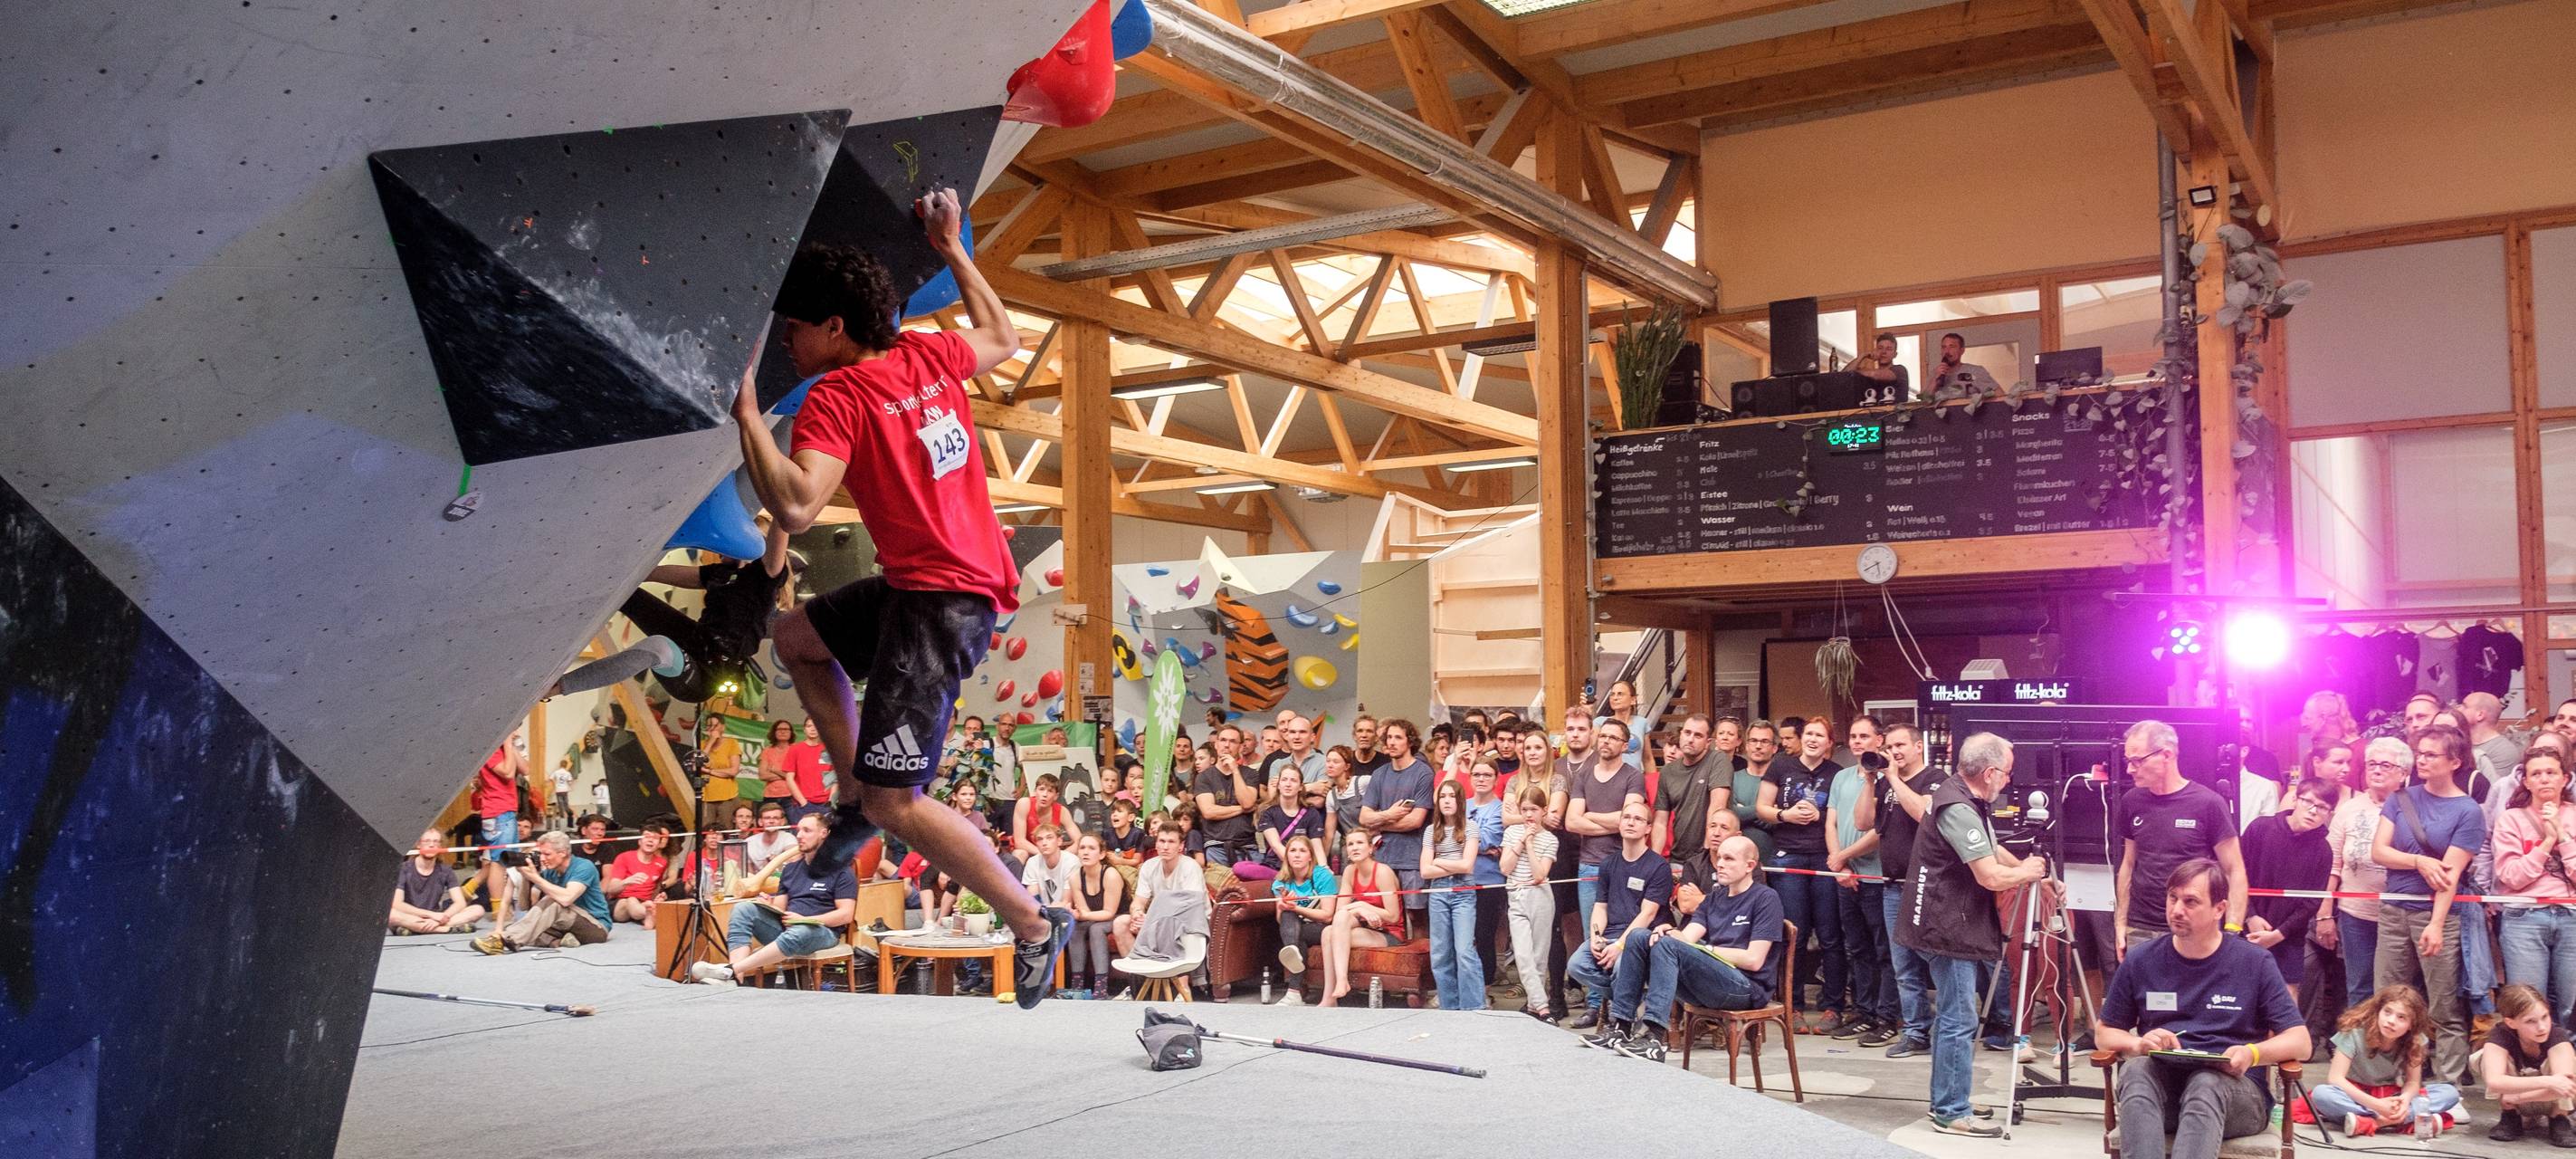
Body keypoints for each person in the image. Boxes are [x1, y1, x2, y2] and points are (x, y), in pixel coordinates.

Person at [732, 187, 1069, 1007]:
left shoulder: (838, 397)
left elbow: (797, 506)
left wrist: (746, 413)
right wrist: (952, 248)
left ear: (834, 328)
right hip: (929, 584)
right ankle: (853, 791)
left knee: (898, 804)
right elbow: (1003, 336)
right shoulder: (925, 356)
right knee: (796, 638)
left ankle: (1033, 924)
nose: (788, 342)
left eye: (796, 328)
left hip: (937, 606)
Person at [2094, 858, 2312, 1159]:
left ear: (2219, 909)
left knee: (2205, 1083)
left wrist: (2252, 1053)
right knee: (2136, 1069)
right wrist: (2137, 1043)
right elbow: (2104, 1034)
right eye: (2172, 898)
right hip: (2165, 1093)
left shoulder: (2254, 962)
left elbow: (2301, 1042)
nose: (2176, 910)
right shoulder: (2142, 959)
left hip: (2237, 1095)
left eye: (2191, 902)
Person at [1896, 733, 2051, 1138]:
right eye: (2007, 772)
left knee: (1957, 1016)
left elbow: (1990, 850)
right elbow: (1989, 876)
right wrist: (2026, 873)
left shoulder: (1961, 796)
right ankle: (1951, 1110)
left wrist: (2033, 875)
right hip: (1945, 926)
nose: (2009, 780)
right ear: (1990, 772)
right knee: (1958, 1018)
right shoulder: (1958, 807)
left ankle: (1950, 1098)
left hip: (1947, 921)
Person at [1595, 834, 1784, 1061]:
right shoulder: (1714, 898)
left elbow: (1754, 959)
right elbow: (1686, 938)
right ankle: (1621, 1027)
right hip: (1711, 981)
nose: (1720, 863)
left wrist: (1706, 949)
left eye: (1729, 859)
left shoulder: (1766, 898)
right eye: (1719, 857)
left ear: (1749, 866)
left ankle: (1655, 1038)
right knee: (1639, 937)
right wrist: (1669, 932)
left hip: (1745, 987)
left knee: (1668, 946)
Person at [2372, 723, 2483, 1083]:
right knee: (2386, 1000)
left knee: (2443, 1005)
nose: (2422, 760)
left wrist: (2436, 924)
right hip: (2393, 909)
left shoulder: (2468, 810)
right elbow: (2379, 851)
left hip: (2437, 914)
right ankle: (2385, 1078)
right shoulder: (2401, 798)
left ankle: (2450, 1087)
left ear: (2454, 761)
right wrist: (2418, 861)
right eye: (2419, 753)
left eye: (2431, 755)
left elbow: (2449, 876)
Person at [2113, 720, 2248, 961]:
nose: (2130, 769)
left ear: (2166, 755)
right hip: (2141, 926)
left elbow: (2234, 869)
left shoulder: (2208, 803)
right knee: (2142, 987)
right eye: (2128, 761)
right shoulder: (2131, 801)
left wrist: (2232, 930)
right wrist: (2120, 922)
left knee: (2195, 986)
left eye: (2137, 761)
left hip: (2195, 926)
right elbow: (2129, 864)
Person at [688, 813, 857, 985]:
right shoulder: (791, 869)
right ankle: (735, 980)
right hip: (787, 928)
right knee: (743, 909)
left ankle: (731, 970)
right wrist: (769, 904)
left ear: (823, 834)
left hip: (821, 932)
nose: (799, 835)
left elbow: (846, 915)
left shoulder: (841, 871)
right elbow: (780, 907)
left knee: (802, 931)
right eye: (799, 830)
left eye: (807, 831)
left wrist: (806, 920)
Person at [1760, 718, 1840, 1023]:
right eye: (1809, 733)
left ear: (1829, 742)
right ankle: (1792, 1005)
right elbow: (1762, 807)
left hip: (1824, 856)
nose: (1813, 739)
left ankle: (1833, 1005)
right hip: (1788, 855)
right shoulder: (1781, 765)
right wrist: (1786, 814)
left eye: (1820, 735)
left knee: (1830, 934)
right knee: (1795, 932)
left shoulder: (1837, 773)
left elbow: (1841, 814)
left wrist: (1821, 815)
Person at [1567, 801, 1673, 1035]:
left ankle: (1621, 1016)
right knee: (1577, 965)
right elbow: (1600, 906)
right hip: (1610, 934)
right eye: (1627, 817)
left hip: (1640, 938)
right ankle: (1634, 1002)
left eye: (1638, 819)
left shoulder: (1658, 866)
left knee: (1620, 964)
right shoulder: (1608, 864)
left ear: (1648, 828)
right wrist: (1596, 936)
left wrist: (1619, 946)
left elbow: (1648, 914)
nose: (1631, 822)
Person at [2307, 984, 2459, 1138]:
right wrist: (2377, 1105)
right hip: (2357, 1094)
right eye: (2387, 1012)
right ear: (2378, 1011)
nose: (2391, 1021)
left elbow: (2413, 1082)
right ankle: (2404, 1119)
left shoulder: (2416, 1039)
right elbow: (2336, 1078)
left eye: (2401, 1017)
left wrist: (2405, 1100)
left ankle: (2374, 1122)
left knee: (2449, 1093)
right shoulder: (2354, 1032)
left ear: (2411, 1024)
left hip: (2392, 1095)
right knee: (2322, 1094)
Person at [1870, 722, 1940, 1058]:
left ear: (1918, 746)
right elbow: (1864, 823)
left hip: (1927, 885)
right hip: (1893, 886)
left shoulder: (1935, 778)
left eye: (1900, 745)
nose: (1894, 752)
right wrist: (1870, 780)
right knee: (1903, 965)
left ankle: (1948, 1028)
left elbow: (1925, 814)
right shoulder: (1885, 783)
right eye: (1889, 747)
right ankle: (1915, 1032)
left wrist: (1894, 779)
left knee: (1937, 960)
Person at [2496, 745, 2576, 1026]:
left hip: (2571, 915)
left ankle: (2567, 1053)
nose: (2544, 779)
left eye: (2551, 772)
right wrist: (2546, 843)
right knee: (2527, 1004)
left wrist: (2562, 836)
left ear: (2564, 779)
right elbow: (2512, 876)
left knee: (2571, 1006)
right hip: (2524, 917)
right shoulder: (2511, 819)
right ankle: (2532, 1054)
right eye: (2536, 774)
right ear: (2526, 781)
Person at [2326, 737, 2408, 1010]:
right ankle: (2359, 1036)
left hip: (2403, 913)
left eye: (2385, 765)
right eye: (2372, 764)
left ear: (2403, 773)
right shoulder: (2349, 809)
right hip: (2356, 914)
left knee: (2398, 988)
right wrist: (2324, 913)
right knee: (2359, 986)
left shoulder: (2415, 806)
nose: (2376, 770)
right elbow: (2332, 863)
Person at [2239, 781, 2332, 987]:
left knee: (2287, 997)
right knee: (2242, 992)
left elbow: (2312, 902)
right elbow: (2238, 874)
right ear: (2295, 799)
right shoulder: (2260, 828)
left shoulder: (2323, 850)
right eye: (2308, 802)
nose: (2313, 811)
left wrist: (2278, 934)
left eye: (2322, 807)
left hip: (2288, 937)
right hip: (2246, 927)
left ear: (2329, 814)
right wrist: (2250, 915)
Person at [1567, 716, 1648, 943]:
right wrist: (1616, 823)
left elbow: (1630, 819)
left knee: (1622, 935)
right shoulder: (1584, 775)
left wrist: (1590, 815)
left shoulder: (1633, 776)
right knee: (1591, 935)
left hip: (1623, 864)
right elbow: (1571, 822)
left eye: (1613, 738)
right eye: (1603, 736)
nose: (1606, 741)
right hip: (1589, 866)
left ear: (1625, 745)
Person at [474, 831, 613, 953]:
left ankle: (504, 940)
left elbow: (566, 899)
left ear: (563, 853)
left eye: (547, 854)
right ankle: (558, 942)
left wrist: (536, 878)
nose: (542, 858)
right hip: (566, 923)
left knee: (550, 902)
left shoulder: (584, 867)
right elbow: (525, 906)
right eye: (541, 854)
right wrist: (526, 878)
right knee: (521, 927)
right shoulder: (551, 872)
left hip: (596, 927)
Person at [1359, 719, 1435, 929]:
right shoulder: (1379, 774)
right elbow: (1364, 818)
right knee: (1385, 918)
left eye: (1398, 738)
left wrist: (1379, 823)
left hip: (1413, 858)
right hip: (1383, 857)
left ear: (1410, 741)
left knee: (1416, 916)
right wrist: (1390, 814)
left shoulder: (1423, 773)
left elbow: (1415, 821)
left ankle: (1421, 952)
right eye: (1389, 737)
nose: (1391, 742)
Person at [2478, 982, 2576, 1145]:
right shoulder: (2500, 1034)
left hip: (2541, 1097)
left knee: (2568, 1067)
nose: (2542, 1027)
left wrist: (2518, 1097)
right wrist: (2549, 1081)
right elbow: (2494, 1081)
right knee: (2483, 1057)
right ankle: (2511, 1116)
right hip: (2521, 1097)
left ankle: (2559, 1118)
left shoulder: (2557, 1035)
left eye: (2545, 1017)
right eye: (2530, 1021)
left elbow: (2566, 1085)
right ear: (2511, 1023)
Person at [1420, 780, 1486, 1011]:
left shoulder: (1471, 827)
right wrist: (1451, 864)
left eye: (1452, 796)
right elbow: (1425, 871)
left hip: (1463, 891)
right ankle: (1449, 1007)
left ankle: (1474, 1006)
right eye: (1443, 796)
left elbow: (1467, 866)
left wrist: (1438, 860)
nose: (1447, 801)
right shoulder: (1431, 831)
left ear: (1460, 801)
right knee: (1440, 953)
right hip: (1438, 892)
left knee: (1464, 950)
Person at [1500, 782, 1561, 1021]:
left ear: (1544, 811)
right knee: (1523, 956)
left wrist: (1530, 844)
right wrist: (1521, 840)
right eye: (1524, 809)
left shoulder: (1550, 839)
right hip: (1516, 897)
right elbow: (1505, 868)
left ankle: (1535, 1009)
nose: (1528, 815)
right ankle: (1544, 1008)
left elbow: (1539, 875)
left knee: (1539, 957)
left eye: (1533, 809)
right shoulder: (1511, 833)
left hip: (1541, 897)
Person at [1321, 829, 1405, 1004]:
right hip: (1367, 928)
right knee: (1329, 930)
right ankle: (1332, 993)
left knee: (1330, 933)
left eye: (1360, 843)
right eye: (1350, 844)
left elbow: (1393, 916)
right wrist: (1360, 910)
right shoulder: (1349, 871)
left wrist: (1363, 906)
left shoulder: (1382, 872)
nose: (1355, 847)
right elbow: (1340, 911)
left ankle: (1338, 987)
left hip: (1389, 933)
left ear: (1371, 848)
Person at [1111, 821, 1208, 963]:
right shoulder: (1148, 866)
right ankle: (1140, 975)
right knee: (1121, 923)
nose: (1165, 847)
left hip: (1191, 923)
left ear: (1181, 846)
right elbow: (1139, 901)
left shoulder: (1190, 867)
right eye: (1162, 841)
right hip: (1161, 920)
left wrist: (1151, 920)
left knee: (1170, 926)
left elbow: (1188, 910)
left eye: (1171, 842)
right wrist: (1137, 914)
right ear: (1156, 844)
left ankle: (1176, 977)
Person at [470, 726, 528, 927]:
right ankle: (497, 909)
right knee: (498, 862)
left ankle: (504, 904)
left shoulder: (504, 748)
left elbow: (525, 769)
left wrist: (512, 745)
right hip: (497, 812)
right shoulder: (491, 749)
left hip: (507, 811)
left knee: (509, 860)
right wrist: (506, 741)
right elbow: (508, 772)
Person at [1271, 835, 1337, 1005]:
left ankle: (1293, 993)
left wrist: (1296, 907)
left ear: (1310, 856)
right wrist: (1283, 906)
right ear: (1287, 856)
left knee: (1294, 931)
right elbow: (1280, 919)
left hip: (1323, 927)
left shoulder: (1322, 875)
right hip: (1295, 928)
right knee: (1289, 919)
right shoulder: (1280, 882)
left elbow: (1328, 915)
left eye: (1302, 851)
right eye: (1293, 851)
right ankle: (1292, 952)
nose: (1297, 855)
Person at [1653, 714, 1725, 868]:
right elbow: (1660, 822)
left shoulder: (1718, 760)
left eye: (1698, 735)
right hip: (1678, 857)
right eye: (1687, 733)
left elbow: (1717, 807)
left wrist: (1707, 854)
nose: (1690, 739)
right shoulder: (1667, 771)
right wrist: (1654, 861)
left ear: (1708, 742)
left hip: (1709, 857)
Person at [1465, 761, 1509, 995]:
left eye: (1487, 775)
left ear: (1496, 778)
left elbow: (1488, 840)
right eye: (1477, 774)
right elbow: (1445, 838)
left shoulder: (1500, 809)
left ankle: (1484, 989)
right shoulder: (1462, 805)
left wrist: (1465, 841)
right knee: (1463, 938)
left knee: (1484, 935)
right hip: (1462, 881)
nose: (1481, 779)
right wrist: (1478, 845)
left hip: (1489, 881)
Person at [1064, 832, 1126, 996]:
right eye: (1082, 848)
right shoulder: (1075, 877)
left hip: (1119, 916)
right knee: (1075, 929)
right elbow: (1085, 912)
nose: (1085, 852)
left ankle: (1101, 986)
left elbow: (1109, 912)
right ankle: (1077, 985)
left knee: (1096, 929)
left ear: (1102, 854)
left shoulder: (1110, 875)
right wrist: (1076, 914)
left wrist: (1082, 915)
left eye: (1091, 848)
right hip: (1095, 916)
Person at [389, 829, 485, 934]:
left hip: (436, 918)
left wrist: (443, 917)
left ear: (440, 846)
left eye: (436, 842)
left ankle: (415, 928)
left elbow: (460, 902)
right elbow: (397, 904)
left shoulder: (446, 870)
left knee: (478, 910)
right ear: (418, 845)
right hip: (410, 915)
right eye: (427, 841)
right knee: (390, 914)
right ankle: (445, 929)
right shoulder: (403, 869)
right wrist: (430, 915)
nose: (431, 845)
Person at [1192, 727, 1259, 869]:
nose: (1227, 745)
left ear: (1240, 747)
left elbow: (1247, 802)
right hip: (1216, 846)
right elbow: (1209, 812)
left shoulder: (1250, 774)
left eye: (1233, 741)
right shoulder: (1204, 777)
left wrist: (1235, 770)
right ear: (1216, 744)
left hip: (1247, 847)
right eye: (1223, 740)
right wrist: (1242, 809)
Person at [605, 819, 673, 930]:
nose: (650, 840)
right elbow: (611, 890)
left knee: (649, 903)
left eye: (655, 838)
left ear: (659, 844)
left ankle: (647, 912)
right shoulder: (624, 857)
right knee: (631, 900)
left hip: (645, 901)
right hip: (620, 903)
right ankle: (648, 913)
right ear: (639, 841)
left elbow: (655, 888)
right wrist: (626, 882)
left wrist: (659, 897)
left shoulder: (662, 863)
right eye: (647, 836)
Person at [1012, 772, 1070, 860]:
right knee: (1020, 853)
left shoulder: (1062, 811)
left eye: (1050, 791)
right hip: (1028, 850)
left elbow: (1078, 840)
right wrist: (1044, 854)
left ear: (1056, 796)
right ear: (1035, 791)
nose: (1045, 794)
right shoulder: (1024, 804)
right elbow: (1019, 842)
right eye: (1041, 789)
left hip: (1051, 852)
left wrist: (1062, 856)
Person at [1849, 331, 1910, 403]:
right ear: (1875, 351)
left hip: (1895, 410)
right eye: (1880, 348)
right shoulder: (1867, 374)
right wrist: (1862, 356)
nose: (1884, 352)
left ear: (1895, 354)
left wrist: (1854, 373)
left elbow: (1875, 374)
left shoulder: (1900, 370)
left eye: (1889, 349)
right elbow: (1844, 375)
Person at [743, 801, 795, 867]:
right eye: (767, 818)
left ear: (782, 822)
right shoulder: (749, 842)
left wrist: (778, 860)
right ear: (760, 822)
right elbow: (747, 870)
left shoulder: (788, 838)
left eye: (776, 818)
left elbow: (794, 859)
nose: (771, 821)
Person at [1603, 680, 1646, 757]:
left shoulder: (1642, 722)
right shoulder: (1601, 722)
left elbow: (1648, 758)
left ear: (1633, 700)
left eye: (1620, 694)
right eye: (1612, 694)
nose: (1615, 698)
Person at [1102, 795, 1146, 868]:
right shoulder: (1107, 833)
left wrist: (1119, 860)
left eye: (1119, 811)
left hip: (1131, 869)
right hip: (1112, 868)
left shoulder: (1138, 834)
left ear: (1130, 817)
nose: (1114, 814)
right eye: (1113, 812)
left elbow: (1136, 861)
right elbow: (1105, 856)